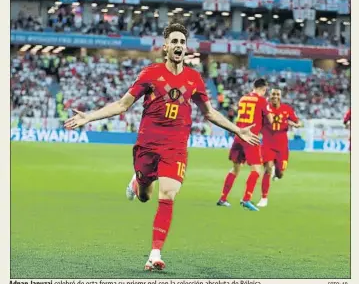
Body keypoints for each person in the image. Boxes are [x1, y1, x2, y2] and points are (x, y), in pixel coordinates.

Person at [64, 22, 259, 271]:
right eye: (174, 42)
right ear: (166, 47)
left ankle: (154, 253)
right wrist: (89, 116)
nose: (178, 46)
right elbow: (123, 105)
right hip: (147, 144)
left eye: (182, 42)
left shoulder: (194, 79)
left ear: (186, 48)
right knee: (145, 195)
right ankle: (137, 182)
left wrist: (238, 129)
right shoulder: (150, 74)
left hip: (175, 146)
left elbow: (209, 113)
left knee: (168, 192)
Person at [217, 78, 273, 211]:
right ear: (263, 89)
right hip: (250, 137)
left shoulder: (243, 98)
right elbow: (270, 120)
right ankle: (246, 199)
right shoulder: (261, 100)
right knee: (257, 169)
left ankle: (223, 198)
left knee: (235, 169)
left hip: (239, 135)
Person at [257, 88, 302, 207]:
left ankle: (276, 174)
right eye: (273, 94)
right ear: (270, 95)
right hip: (267, 144)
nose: (275, 96)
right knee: (267, 168)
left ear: (280, 97)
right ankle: (264, 198)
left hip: (282, 147)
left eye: (277, 94)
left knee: (280, 173)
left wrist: (296, 124)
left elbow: (298, 122)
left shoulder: (287, 109)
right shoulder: (264, 109)